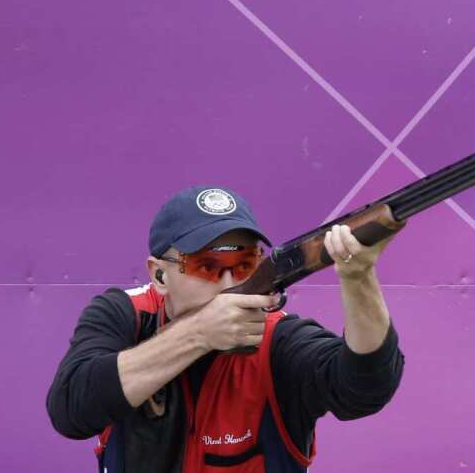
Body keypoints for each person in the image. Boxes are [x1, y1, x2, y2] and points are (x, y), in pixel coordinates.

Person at [46, 185, 406, 472]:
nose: (229, 282)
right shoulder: (123, 314)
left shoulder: (277, 339)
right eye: (207, 266)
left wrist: (359, 278)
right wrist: (199, 334)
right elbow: (71, 409)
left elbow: (366, 388)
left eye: (246, 263)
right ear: (159, 274)